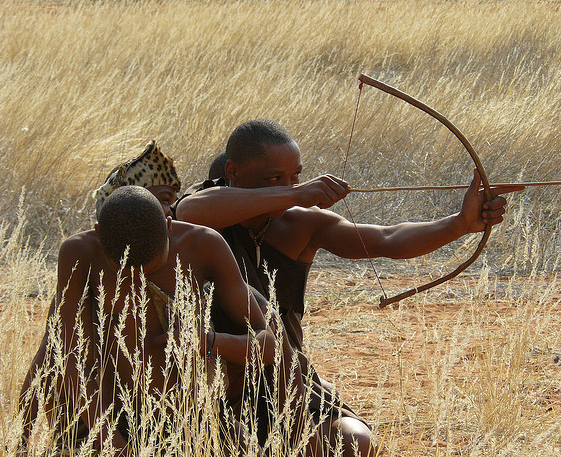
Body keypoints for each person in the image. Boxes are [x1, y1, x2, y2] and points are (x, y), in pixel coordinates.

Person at [175, 118, 524, 457]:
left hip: (286, 378)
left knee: (354, 443)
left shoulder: (301, 222)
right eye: (274, 178)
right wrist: (294, 192)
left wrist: (459, 224)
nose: (290, 184)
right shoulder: (205, 206)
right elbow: (190, 211)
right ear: (232, 173)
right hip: (212, 376)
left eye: (295, 175)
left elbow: (387, 238)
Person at [18, 189, 279, 455]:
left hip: (191, 418)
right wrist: (115, 444)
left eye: (152, 267)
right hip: (106, 420)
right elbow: (65, 356)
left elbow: (268, 345)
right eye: (123, 271)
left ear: (168, 225)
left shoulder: (203, 246)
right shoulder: (79, 253)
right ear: (99, 234)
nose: (137, 279)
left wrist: (206, 342)